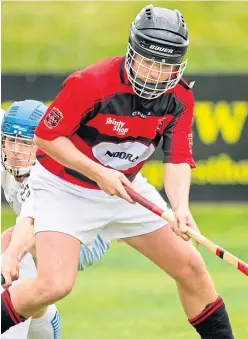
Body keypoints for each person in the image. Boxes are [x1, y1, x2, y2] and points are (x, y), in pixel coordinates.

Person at [1, 5, 234, 339]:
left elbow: (178, 157)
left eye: (167, 66)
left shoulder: (180, 97)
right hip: (63, 188)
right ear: (132, 53)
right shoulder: (91, 83)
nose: (157, 74)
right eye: (149, 62)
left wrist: (181, 208)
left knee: (191, 267)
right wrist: (99, 173)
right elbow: (45, 137)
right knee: (54, 285)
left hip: (126, 190)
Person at [1, 100, 110, 339]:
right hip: (40, 229)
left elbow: (26, 227)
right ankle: (45, 317)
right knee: (35, 292)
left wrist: (9, 257)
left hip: (86, 238)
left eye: (26, 143)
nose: (17, 151)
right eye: (11, 141)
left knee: (14, 247)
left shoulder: (46, 172)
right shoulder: (8, 143)